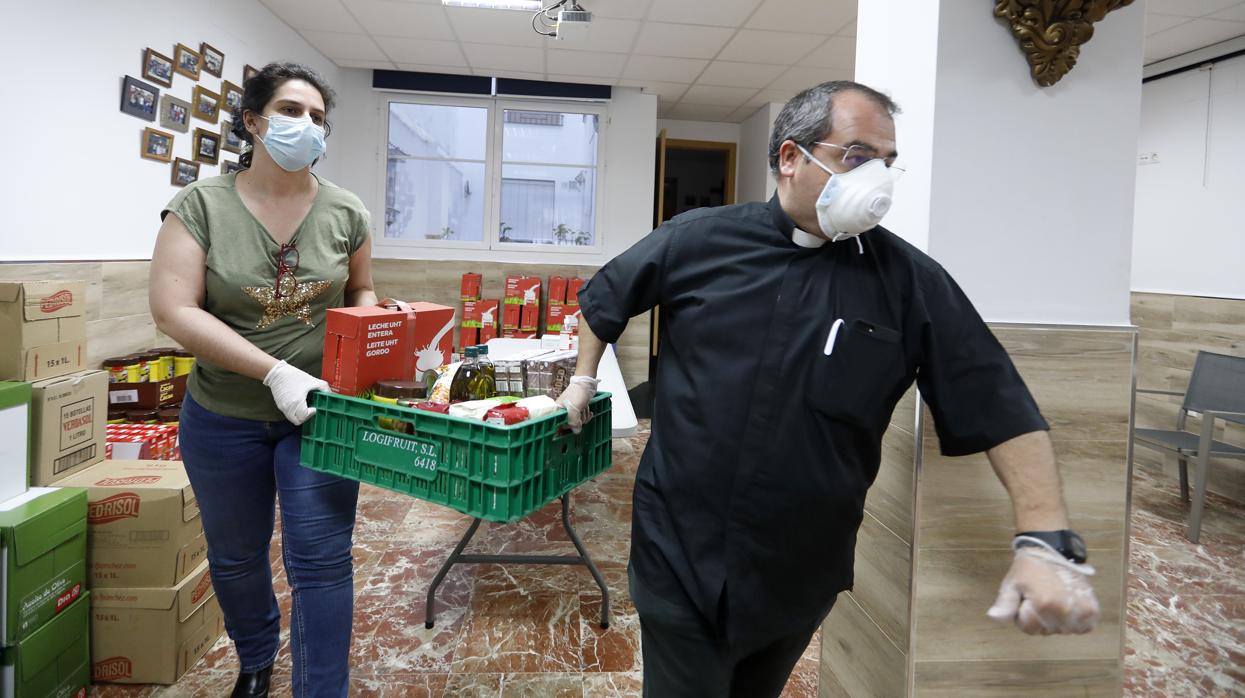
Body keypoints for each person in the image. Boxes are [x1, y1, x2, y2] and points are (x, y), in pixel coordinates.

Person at [556, 80, 1101, 697]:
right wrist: (581, 379)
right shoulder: (697, 240)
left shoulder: (908, 282)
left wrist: (1046, 540)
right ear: (791, 157)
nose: (880, 181)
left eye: (888, 163)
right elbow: (604, 300)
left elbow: (999, 399)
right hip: (680, 550)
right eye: (859, 157)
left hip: (800, 567)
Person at [149, 62, 376, 698]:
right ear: (253, 121)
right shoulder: (201, 206)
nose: (308, 126)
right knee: (236, 556)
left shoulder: (345, 211)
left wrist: (362, 344)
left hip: (322, 416)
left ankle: (319, 689)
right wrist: (275, 372)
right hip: (223, 415)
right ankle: (255, 657)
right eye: (292, 111)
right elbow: (174, 310)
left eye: (319, 119)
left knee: (322, 560)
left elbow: (360, 287)